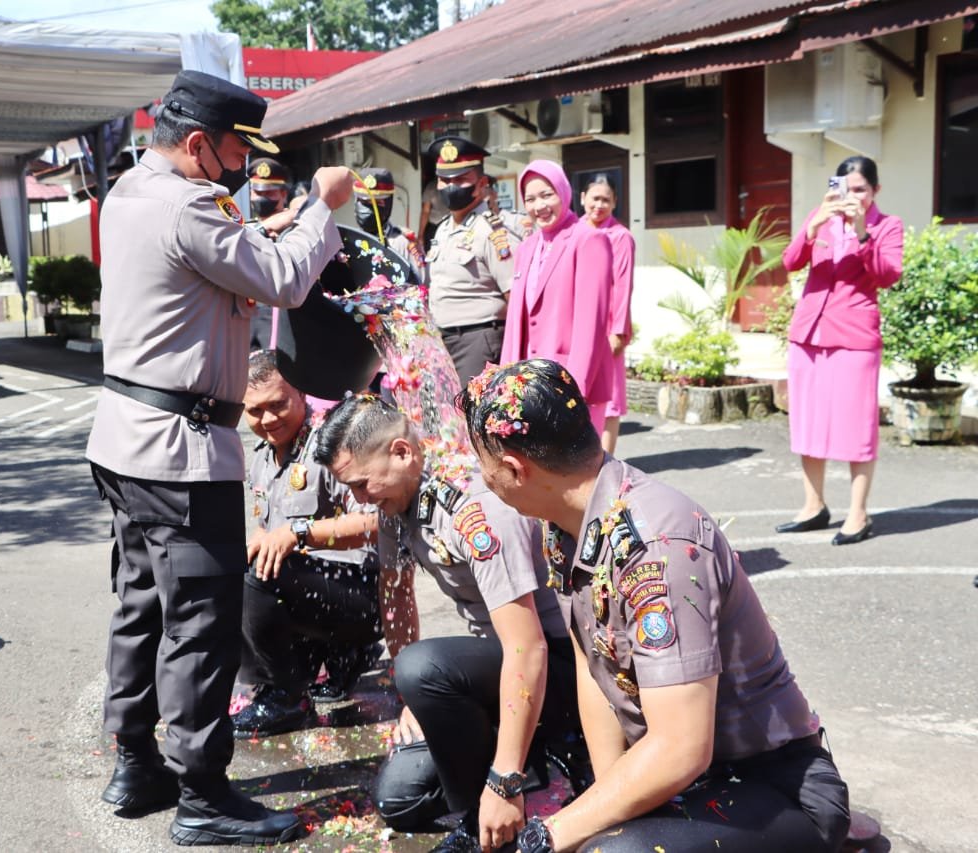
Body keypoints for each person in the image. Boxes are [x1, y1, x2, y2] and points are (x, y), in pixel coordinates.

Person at [86, 69, 352, 847]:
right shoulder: (190, 202)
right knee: (202, 618)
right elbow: (280, 280)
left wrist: (282, 220)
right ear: (199, 144)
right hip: (182, 451)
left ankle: (135, 760)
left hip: (125, 440)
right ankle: (202, 793)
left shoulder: (136, 189)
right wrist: (322, 208)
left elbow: (229, 252)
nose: (241, 167)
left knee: (140, 603)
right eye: (236, 152)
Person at [460, 359, 851, 853]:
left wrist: (552, 834)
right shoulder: (564, 524)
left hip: (777, 789)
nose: (481, 478)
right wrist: (607, 796)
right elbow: (592, 662)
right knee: (598, 834)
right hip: (689, 778)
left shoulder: (658, 543)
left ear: (515, 468)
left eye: (482, 462)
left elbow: (682, 747)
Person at [313, 394, 584, 853]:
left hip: (561, 670)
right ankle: (536, 760)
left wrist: (503, 781)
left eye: (361, 485)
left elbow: (528, 647)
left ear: (402, 452)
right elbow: (395, 592)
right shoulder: (399, 501)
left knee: (425, 668)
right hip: (502, 666)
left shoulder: (476, 511)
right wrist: (410, 699)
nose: (359, 500)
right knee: (399, 799)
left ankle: (491, 810)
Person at [232, 350, 383, 738]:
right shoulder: (263, 456)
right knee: (236, 561)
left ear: (301, 393)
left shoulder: (334, 445)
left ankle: (285, 698)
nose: (267, 420)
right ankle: (322, 661)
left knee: (261, 569)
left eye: (277, 404)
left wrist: (300, 533)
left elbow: (377, 523)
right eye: (254, 411)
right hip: (309, 591)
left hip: (362, 595)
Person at [777, 156, 902, 546]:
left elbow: (887, 275)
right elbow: (790, 261)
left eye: (861, 189)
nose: (852, 196)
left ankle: (859, 514)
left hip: (854, 336)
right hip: (809, 332)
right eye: (846, 188)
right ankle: (814, 505)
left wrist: (863, 233)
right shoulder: (822, 216)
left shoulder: (887, 226)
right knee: (809, 423)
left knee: (855, 426)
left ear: (875, 191)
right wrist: (813, 227)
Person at [500, 160, 613, 434]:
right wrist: (505, 382)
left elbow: (591, 324)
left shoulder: (588, 240)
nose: (539, 206)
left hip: (569, 383)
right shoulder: (526, 248)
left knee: (579, 473)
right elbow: (516, 322)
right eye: (530, 198)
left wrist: (574, 390)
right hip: (529, 383)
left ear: (564, 192)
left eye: (547, 195)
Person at [424, 135, 515, 385]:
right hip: (443, 340)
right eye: (445, 180)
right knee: (450, 420)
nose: (451, 186)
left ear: (481, 182)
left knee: (474, 418)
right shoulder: (443, 229)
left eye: (461, 179)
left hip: (479, 340)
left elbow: (515, 295)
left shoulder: (492, 231)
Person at [579, 174, 634, 454]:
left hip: (606, 330)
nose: (599, 205)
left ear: (614, 203)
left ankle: (605, 464)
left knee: (609, 402)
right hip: (577, 329)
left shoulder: (621, 237)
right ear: (582, 199)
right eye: (594, 198)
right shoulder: (573, 233)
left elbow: (623, 286)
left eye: (606, 200)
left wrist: (617, 330)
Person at [246, 157, 295, 350]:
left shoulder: (293, 231)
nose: (261, 198)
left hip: (279, 312)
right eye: (257, 192)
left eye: (269, 193)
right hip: (247, 313)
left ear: (283, 194)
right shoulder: (244, 229)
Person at [353, 168, 428, 284]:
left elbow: (421, 286)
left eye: (377, 203)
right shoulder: (348, 241)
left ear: (388, 205)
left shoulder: (403, 243)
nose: (369, 209)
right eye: (364, 202)